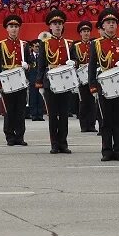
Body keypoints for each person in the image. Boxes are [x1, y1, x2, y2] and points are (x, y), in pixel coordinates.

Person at [88, 8, 119, 162]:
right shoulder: (96, 44)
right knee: (106, 120)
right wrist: (93, 87)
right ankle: (107, 151)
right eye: (108, 23)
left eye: (114, 23)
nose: (111, 25)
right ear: (103, 25)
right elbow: (91, 66)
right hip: (104, 86)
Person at [38, 10, 75, 154]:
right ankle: (54, 143)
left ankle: (63, 143)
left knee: (64, 114)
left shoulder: (69, 43)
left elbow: (75, 61)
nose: (58, 26)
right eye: (55, 24)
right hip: (50, 82)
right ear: (50, 27)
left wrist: (74, 62)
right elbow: (41, 65)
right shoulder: (45, 44)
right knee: (53, 114)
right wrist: (40, 83)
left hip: (65, 81)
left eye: (60, 24)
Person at [0, 14, 29, 146]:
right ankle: (9, 136)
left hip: (20, 80)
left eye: (16, 26)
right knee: (9, 110)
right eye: (11, 26)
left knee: (20, 110)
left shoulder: (24, 45)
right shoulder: (1, 45)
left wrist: (28, 66)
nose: (14, 29)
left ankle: (20, 136)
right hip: (7, 81)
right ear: (7, 29)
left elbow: (31, 63)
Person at [72, 21, 97, 133]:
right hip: (81, 76)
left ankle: (91, 124)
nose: (86, 33)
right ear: (80, 33)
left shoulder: (94, 44)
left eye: (87, 31)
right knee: (83, 101)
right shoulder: (76, 46)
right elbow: (75, 60)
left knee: (92, 101)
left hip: (92, 75)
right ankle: (83, 125)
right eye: (84, 31)